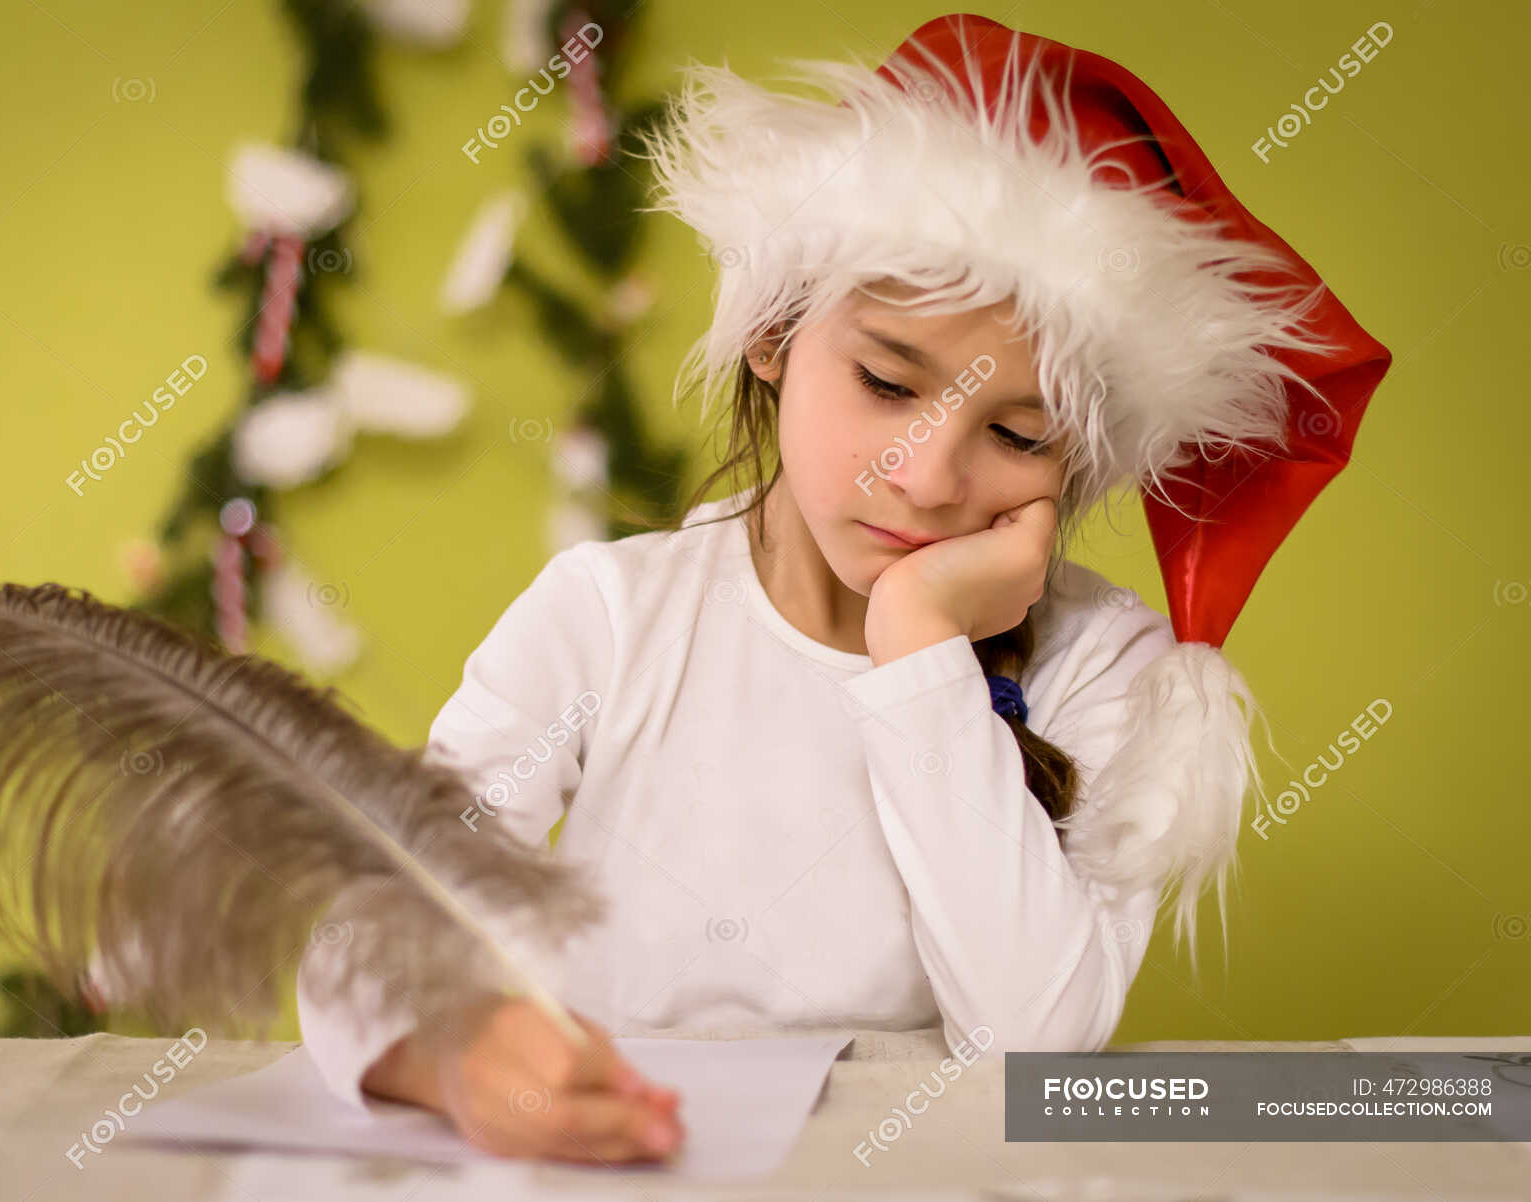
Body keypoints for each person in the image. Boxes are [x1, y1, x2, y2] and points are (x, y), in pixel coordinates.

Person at [295, 12, 1390, 1166]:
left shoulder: (1099, 660)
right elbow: (362, 940)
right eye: (883, 379)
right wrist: (455, 1061)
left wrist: (917, 645)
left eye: (1016, 434)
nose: (922, 475)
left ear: (1078, 461)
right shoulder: (611, 618)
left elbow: (1039, 1043)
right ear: (772, 331)